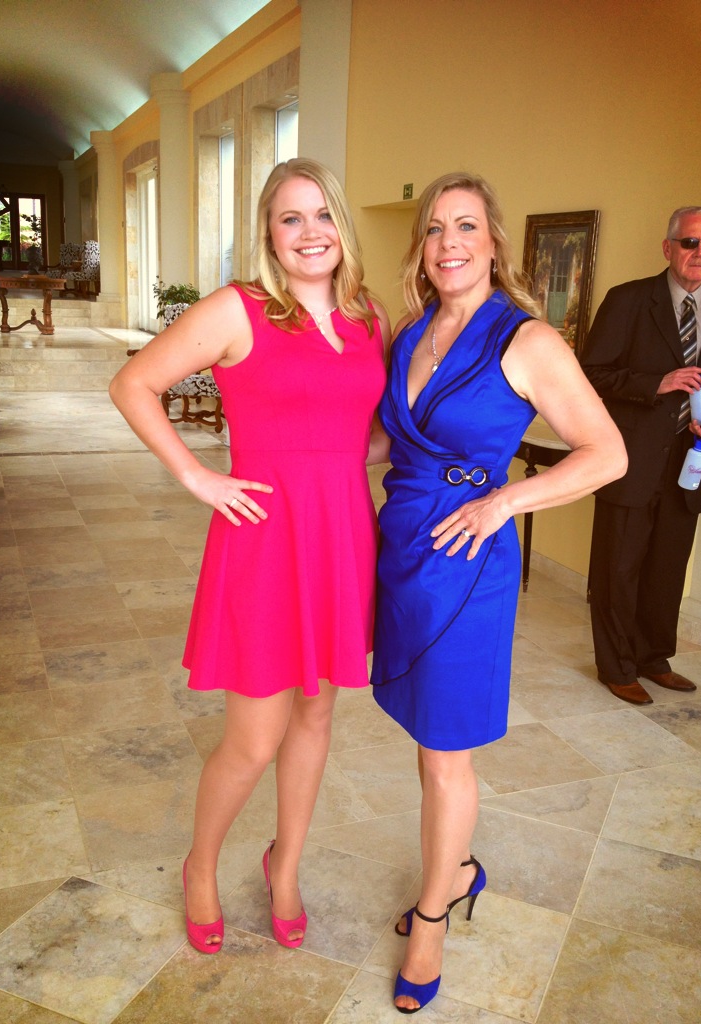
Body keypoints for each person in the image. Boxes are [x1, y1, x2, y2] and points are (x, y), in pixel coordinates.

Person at [110, 158, 389, 954]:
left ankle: (285, 867)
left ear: (342, 225)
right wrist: (197, 476)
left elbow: (366, 434)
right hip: (264, 538)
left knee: (317, 712)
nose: (310, 232)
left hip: (341, 533)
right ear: (269, 231)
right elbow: (134, 384)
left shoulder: (368, 316)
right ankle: (200, 866)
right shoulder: (239, 309)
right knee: (254, 737)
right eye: (291, 217)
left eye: (323, 214)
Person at [369, 172, 627, 1013]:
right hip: (403, 549)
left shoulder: (528, 340)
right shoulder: (412, 332)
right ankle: (457, 869)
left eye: (466, 227)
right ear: (422, 245)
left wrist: (505, 501)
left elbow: (608, 453)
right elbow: (384, 444)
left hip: (469, 559)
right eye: (435, 228)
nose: (449, 243)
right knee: (425, 734)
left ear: (494, 243)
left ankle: (433, 918)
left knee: (449, 749)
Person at [581, 206, 701, 706]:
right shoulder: (628, 300)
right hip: (630, 460)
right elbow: (590, 374)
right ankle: (616, 666)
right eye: (690, 242)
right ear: (668, 247)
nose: (700, 253)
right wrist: (659, 382)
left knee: (667, 569)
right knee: (617, 569)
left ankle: (654, 658)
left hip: (691, 460)